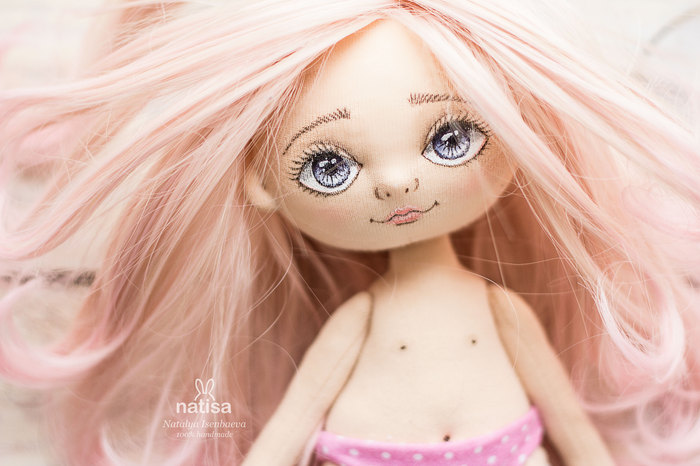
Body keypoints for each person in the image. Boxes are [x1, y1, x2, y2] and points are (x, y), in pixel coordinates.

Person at [0, 1, 698, 465]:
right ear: (261, 184)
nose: (397, 184)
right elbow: (293, 420)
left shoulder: (501, 309)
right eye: (328, 165)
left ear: (515, 141)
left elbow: (568, 420)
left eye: (450, 138)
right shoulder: (360, 319)